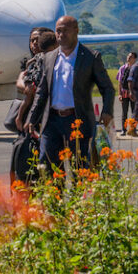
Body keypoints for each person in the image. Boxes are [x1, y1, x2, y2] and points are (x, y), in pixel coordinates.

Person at [27, 15, 115, 171]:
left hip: (77, 121)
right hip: (52, 121)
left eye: (65, 31)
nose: (60, 35)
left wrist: (107, 111)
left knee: (79, 167)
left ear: (76, 31)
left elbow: (107, 88)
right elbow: (41, 92)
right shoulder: (49, 58)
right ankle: (54, 195)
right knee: (47, 166)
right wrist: (32, 118)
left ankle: (79, 194)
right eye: (58, 31)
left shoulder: (90, 58)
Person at [10, 27, 57, 184]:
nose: (35, 43)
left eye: (38, 39)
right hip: (31, 118)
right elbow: (23, 86)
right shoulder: (32, 63)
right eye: (32, 40)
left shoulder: (43, 61)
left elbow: (26, 88)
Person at [116, 52, 136, 134]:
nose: (128, 57)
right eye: (128, 56)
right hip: (124, 92)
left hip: (133, 92)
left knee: (134, 112)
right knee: (124, 112)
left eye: (131, 56)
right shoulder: (122, 68)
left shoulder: (137, 68)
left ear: (134, 59)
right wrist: (119, 94)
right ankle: (123, 129)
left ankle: (132, 129)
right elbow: (120, 82)